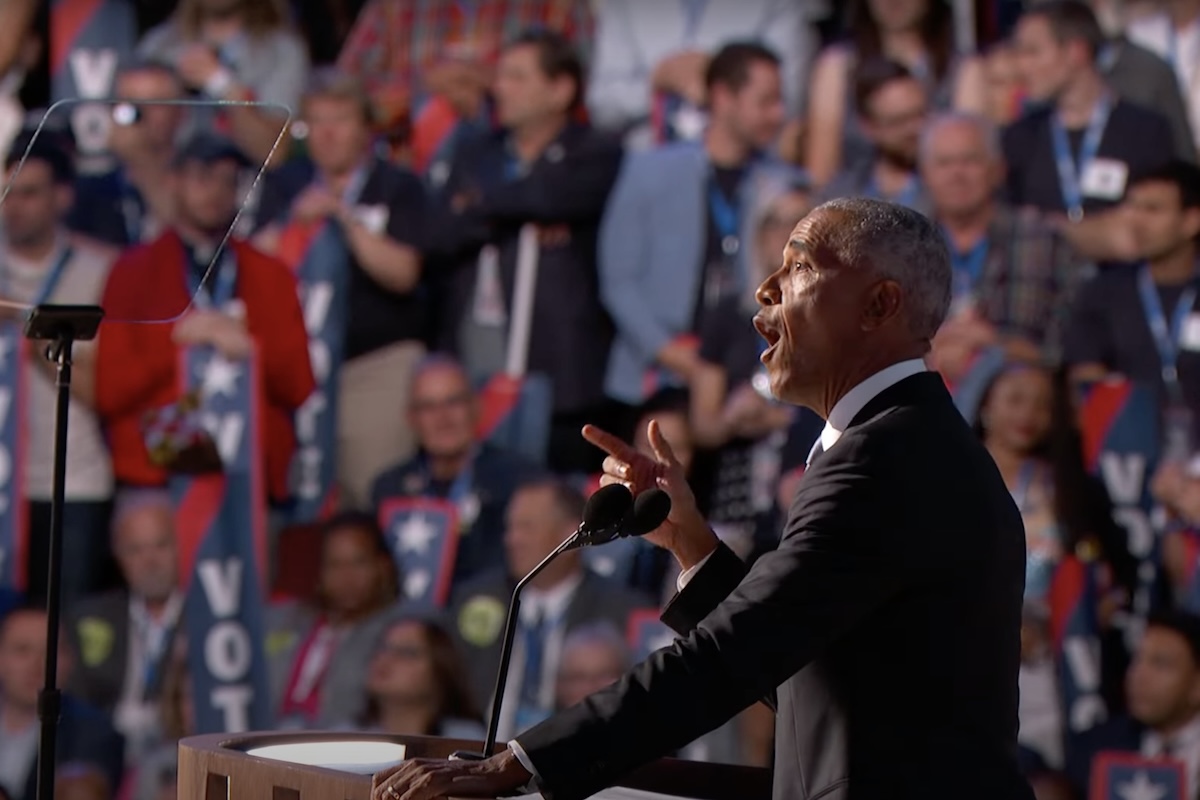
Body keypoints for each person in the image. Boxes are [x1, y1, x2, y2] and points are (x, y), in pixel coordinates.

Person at [371, 197, 1034, 800]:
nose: (763, 290)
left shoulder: (888, 456)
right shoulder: (899, 442)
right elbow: (793, 665)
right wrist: (687, 540)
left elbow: (732, 658)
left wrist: (518, 762)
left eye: (798, 267)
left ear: (879, 306)